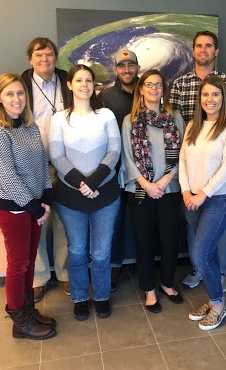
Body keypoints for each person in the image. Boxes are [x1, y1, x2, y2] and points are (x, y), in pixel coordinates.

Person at [0, 73, 56, 340]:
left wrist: (46, 197)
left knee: (27, 262)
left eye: (20, 93)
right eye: (10, 94)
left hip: (35, 205)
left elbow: (41, 164)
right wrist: (36, 209)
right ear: (0, 99)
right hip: (13, 208)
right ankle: (19, 320)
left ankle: (28, 310)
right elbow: (7, 176)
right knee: (18, 263)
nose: (16, 99)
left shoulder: (30, 127)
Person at [49, 64, 121, 321]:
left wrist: (94, 182)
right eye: (78, 80)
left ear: (94, 85)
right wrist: (82, 183)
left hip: (106, 195)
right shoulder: (59, 118)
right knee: (77, 249)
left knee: (101, 251)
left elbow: (114, 151)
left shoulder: (106, 116)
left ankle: (101, 296)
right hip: (70, 198)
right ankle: (80, 297)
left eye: (88, 80)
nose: (84, 84)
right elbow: (56, 155)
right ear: (69, 85)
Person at [170, 31, 226, 291]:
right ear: (192, 50)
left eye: (208, 46)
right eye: (198, 46)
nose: (203, 50)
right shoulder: (180, 83)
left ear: (216, 51)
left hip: (217, 173)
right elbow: (175, 122)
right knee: (194, 227)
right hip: (192, 160)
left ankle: (220, 273)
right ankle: (201, 268)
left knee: (219, 230)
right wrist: (186, 187)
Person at [180, 76, 226, 330]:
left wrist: (202, 194)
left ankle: (218, 304)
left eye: (215, 95)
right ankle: (213, 298)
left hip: (218, 199)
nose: (210, 99)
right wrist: (186, 192)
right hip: (192, 200)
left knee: (200, 254)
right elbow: (183, 162)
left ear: (223, 98)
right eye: (205, 95)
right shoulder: (193, 126)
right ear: (200, 98)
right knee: (208, 254)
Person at [121, 69, 185, 313]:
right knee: (144, 241)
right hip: (139, 190)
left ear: (163, 89)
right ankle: (149, 289)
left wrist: (165, 180)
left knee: (170, 240)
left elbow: (182, 154)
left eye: (158, 84)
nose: (154, 88)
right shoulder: (130, 120)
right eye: (149, 84)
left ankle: (167, 283)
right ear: (141, 88)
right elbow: (127, 157)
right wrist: (148, 185)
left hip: (169, 189)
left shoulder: (175, 117)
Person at [21, 37, 72, 302]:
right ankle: (39, 276)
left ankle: (64, 274)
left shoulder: (67, 81)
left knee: (64, 220)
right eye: (39, 55)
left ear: (55, 57)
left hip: (64, 161)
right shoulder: (21, 84)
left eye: (49, 54)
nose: (44, 60)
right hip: (33, 162)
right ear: (30, 59)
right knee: (36, 220)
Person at [96, 49, 140, 292]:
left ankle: (147, 270)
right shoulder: (105, 98)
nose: (126, 69)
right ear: (116, 70)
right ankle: (114, 267)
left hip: (143, 174)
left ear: (137, 67)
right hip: (114, 172)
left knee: (144, 221)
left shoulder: (147, 93)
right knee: (115, 222)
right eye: (121, 65)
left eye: (130, 64)